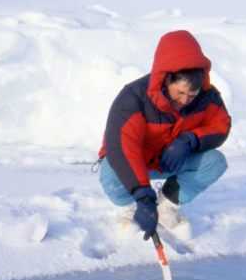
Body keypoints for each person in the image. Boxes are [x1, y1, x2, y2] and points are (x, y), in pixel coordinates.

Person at [97, 30, 231, 237]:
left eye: (192, 95)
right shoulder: (133, 98)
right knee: (110, 168)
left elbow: (220, 126)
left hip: (172, 163)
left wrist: (189, 140)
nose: (185, 100)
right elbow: (123, 148)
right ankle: (129, 209)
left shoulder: (207, 97)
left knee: (215, 162)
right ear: (166, 79)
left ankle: (166, 206)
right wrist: (143, 196)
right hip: (136, 163)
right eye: (180, 93)